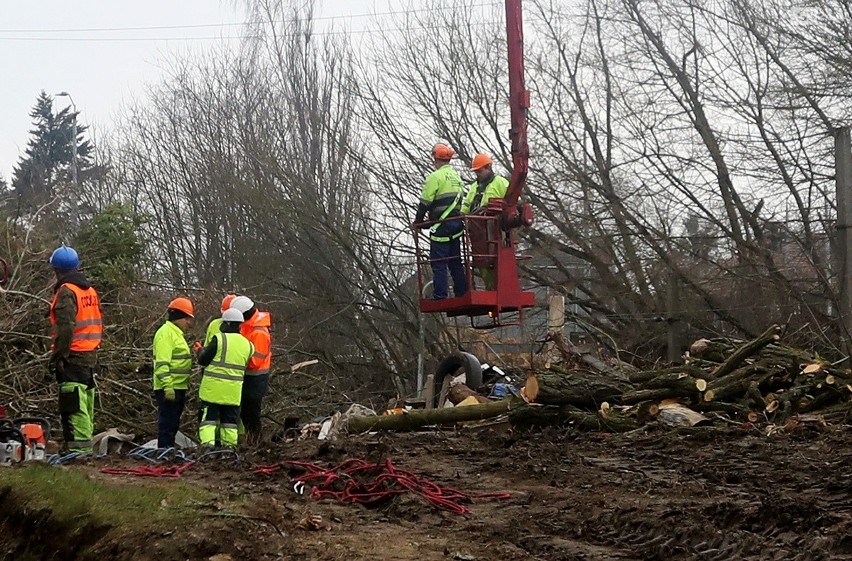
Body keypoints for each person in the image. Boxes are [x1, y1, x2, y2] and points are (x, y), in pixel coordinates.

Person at [48, 245, 102, 453]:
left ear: (56, 270)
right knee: (86, 403)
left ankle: (79, 453)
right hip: (89, 355)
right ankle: (86, 449)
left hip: (73, 356)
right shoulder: (89, 290)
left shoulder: (67, 292)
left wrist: (59, 356)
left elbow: (66, 328)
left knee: (73, 406)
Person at [413, 143, 468, 300]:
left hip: (441, 227)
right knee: (455, 261)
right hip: (456, 225)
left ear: (436, 159)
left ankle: (440, 295)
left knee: (439, 263)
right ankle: (461, 292)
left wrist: (418, 221)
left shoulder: (434, 177)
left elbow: (425, 202)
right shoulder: (457, 177)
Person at [196, 308, 254, 448]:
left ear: (226, 323)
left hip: (213, 391)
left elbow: (203, 360)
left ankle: (207, 449)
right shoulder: (248, 345)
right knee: (230, 424)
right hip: (233, 393)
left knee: (208, 421)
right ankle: (229, 450)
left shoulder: (219, 339)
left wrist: (199, 351)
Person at [462, 153, 510, 290]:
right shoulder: (474, 187)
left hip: (493, 229)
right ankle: (491, 288)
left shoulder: (501, 183)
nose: (477, 174)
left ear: (489, 167)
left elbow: (512, 204)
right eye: (476, 171)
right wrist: (462, 217)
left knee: (493, 259)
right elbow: (467, 206)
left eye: (480, 171)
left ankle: (497, 288)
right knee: (480, 260)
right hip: (476, 229)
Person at [152, 297, 194, 448]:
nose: (189, 323)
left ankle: (167, 452)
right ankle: (164, 453)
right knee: (167, 424)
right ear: (178, 317)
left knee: (173, 424)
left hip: (178, 386)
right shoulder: (166, 334)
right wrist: (168, 386)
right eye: (187, 318)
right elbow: (162, 364)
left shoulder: (175, 333)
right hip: (170, 387)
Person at [229, 295, 272, 444]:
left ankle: (256, 443)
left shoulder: (259, 332)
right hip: (248, 378)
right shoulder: (249, 326)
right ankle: (252, 442)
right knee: (245, 413)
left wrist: (233, 358)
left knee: (250, 414)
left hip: (255, 379)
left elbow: (255, 362)